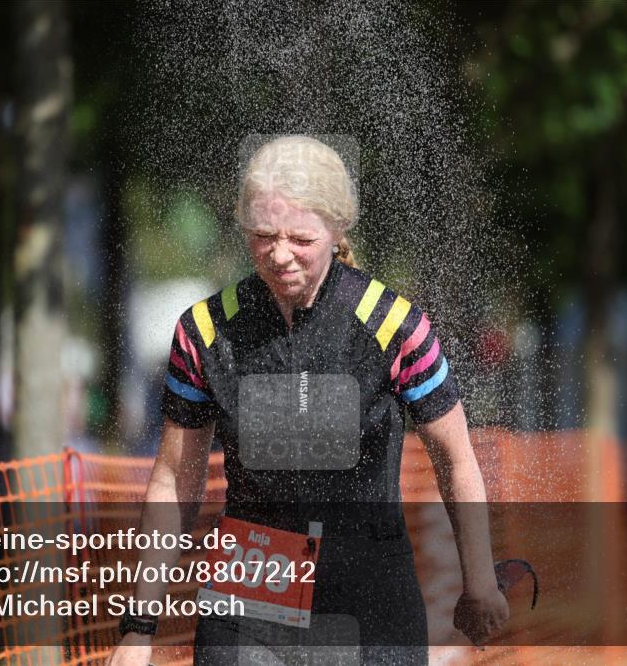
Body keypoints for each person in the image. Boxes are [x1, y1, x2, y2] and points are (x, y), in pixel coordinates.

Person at [108, 136, 508, 665]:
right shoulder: (203, 332)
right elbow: (175, 479)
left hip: (369, 599)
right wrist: (139, 627)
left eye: (300, 239)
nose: (279, 255)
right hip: (249, 595)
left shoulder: (394, 326)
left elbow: (455, 459)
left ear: (338, 230)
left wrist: (480, 583)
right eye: (262, 236)